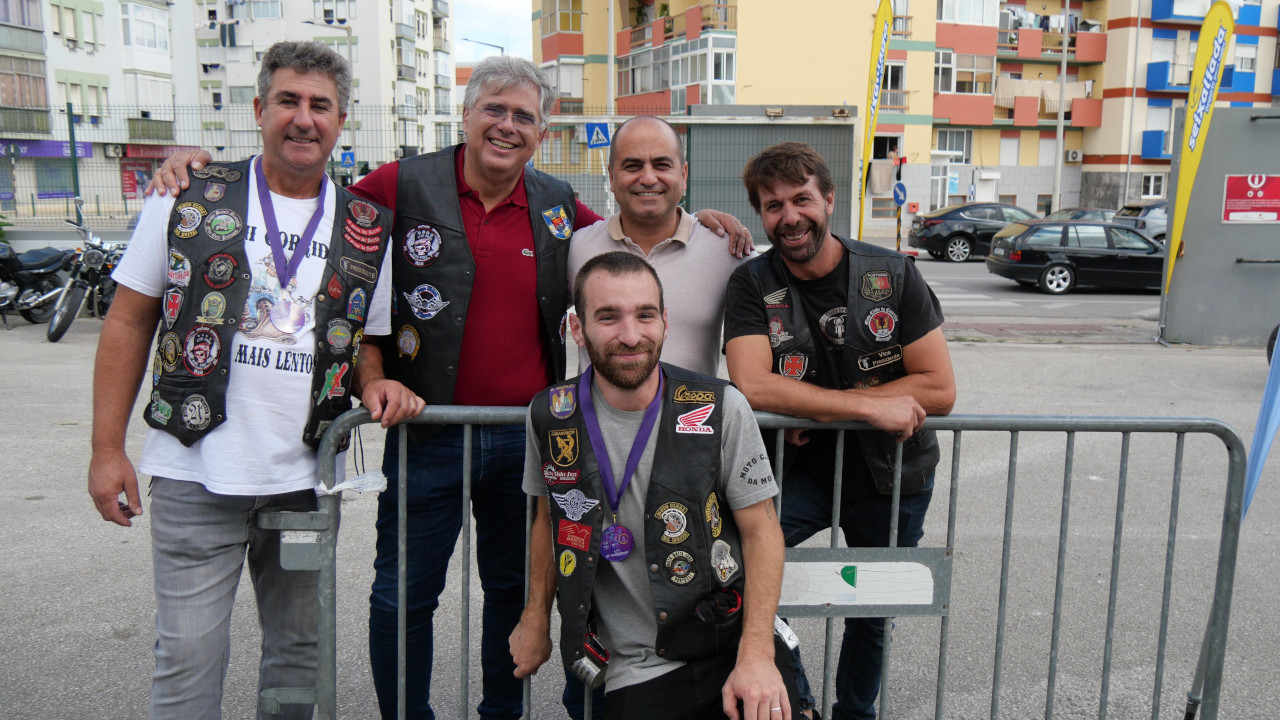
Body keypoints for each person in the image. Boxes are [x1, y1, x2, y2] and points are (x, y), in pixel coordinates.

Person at [147, 55, 750, 720]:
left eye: (523, 116)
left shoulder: (558, 208)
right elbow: (304, 183)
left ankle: (500, 713)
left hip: (526, 440)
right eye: (493, 109)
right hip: (428, 431)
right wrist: (205, 169)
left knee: (513, 592)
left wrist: (705, 222)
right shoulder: (398, 185)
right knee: (401, 596)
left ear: (542, 132)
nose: (506, 126)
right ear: (465, 116)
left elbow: (638, 221)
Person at [87, 41, 423, 719]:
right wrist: (105, 449)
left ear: (342, 118)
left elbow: (366, 342)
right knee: (186, 660)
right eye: (289, 101)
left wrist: (376, 383)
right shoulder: (187, 197)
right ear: (258, 110)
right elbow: (127, 322)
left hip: (305, 477)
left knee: (298, 658)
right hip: (194, 470)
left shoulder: (366, 224)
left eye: (320, 105)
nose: (304, 119)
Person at [510, 251, 801, 720]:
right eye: (608, 317)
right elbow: (550, 518)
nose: (631, 335)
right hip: (640, 666)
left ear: (665, 322)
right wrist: (534, 616)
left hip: (732, 636)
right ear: (577, 329)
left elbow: (762, 532)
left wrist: (757, 655)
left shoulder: (721, 407)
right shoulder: (550, 414)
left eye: (645, 314)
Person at [722, 142, 956, 720]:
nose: (790, 216)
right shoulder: (752, 283)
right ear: (761, 215)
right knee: (735, 572)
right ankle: (797, 703)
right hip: (798, 471)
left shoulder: (894, 273)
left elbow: (938, 389)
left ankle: (855, 713)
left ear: (828, 199)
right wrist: (871, 407)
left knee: (871, 611)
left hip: (892, 474)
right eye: (773, 206)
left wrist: (822, 406)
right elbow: (753, 385)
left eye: (801, 199)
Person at [568, 116, 750, 376]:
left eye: (662, 165)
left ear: (683, 174)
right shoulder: (576, 249)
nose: (649, 178)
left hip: (693, 417)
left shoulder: (728, 250)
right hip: (596, 418)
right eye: (632, 166)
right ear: (611, 176)